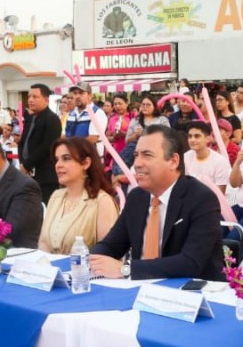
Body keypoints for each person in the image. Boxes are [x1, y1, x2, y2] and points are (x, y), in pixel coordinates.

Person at [90, 125, 224, 280]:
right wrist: (87, 260)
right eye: (136, 155)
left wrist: (126, 269)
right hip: (140, 292)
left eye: (147, 155)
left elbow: (191, 262)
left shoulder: (201, 198)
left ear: (173, 161)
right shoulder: (137, 197)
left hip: (189, 294)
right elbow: (111, 245)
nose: (137, 164)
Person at [37, 137, 119, 254]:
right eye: (57, 160)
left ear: (85, 163)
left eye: (66, 158)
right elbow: (43, 242)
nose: (58, 165)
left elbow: (109, 253)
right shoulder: (56, 196)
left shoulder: (102, 202)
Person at [19, 83, 64, 202]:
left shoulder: (52, 119)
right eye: (29, 97)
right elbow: (23, 142)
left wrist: (27, 164)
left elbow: (47, 146)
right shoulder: (31, 118)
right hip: (28, 172)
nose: (30, 100)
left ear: (45, 100)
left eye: (35, 97)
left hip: (45, 175)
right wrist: (23, 163)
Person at [182, 121, 231, 193]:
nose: (192, 140)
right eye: (190, 136)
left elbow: (220, 193)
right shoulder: (186, 157)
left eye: (197, 136)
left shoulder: (220, 161)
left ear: (208, 139)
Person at [64, 83, 108, 155]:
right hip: (73, 157)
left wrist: (72, 149)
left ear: (90, 95)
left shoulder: (97, 113)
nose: (77, 96)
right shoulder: (71, 113)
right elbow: (65, 135)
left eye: (81, 93)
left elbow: (93, 138)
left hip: (91, 158)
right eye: (75, 93)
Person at [105, 95, 132, 173]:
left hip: (129, 151)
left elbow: (137, 135)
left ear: (126, 103)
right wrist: (113, 138)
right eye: (115, 104)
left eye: (120, 103)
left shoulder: (132, 117)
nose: (117, 106)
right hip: (116, 152)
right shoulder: (112, 119)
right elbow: (108, 136)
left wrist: (125, 135)